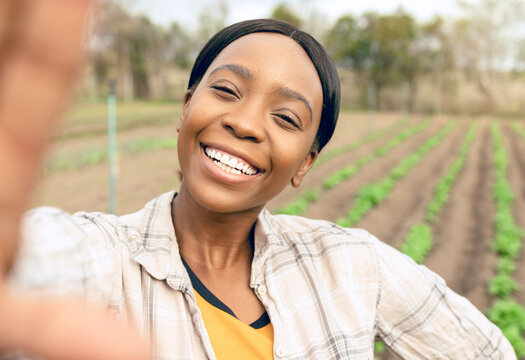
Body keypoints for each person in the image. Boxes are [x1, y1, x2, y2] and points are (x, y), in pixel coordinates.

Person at [0, 1, 516, 359]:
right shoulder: (103, 258)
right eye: (226, 90)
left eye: (287, 118)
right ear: (185, 109)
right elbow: (33, 264)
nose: (245, 124)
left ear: (306, 164)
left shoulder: (352, 264)